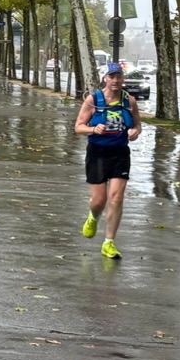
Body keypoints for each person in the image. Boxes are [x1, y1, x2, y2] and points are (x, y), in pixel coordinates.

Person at [75, 62, 143, 260]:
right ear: (105, 78)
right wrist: (92, 129)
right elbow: (78, 127)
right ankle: (93, 217)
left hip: (120, 154)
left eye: (119, 77)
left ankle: (109, 242)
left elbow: (138, 125)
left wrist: (134, 132)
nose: (115, 80)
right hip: (97, 153)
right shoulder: (93, 100)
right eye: (111, 77)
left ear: (123, 79)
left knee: (116, 197)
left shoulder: (129, 101)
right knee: (99, 200)